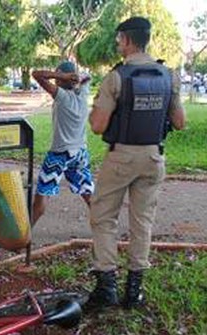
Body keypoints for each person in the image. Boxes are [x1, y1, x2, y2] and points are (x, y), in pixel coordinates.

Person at [87, 17, 185, 311]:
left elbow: (97, 126)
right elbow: (179, 122)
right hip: (154, 157)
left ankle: (106, 288)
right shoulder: (169, 75)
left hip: (122, 156)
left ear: (127, 40)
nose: (118, 45)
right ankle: (135, 291)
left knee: (103, 217)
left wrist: (97, 111)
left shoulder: (116, 77)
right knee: (143, 222)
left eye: (119, 40)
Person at [30, 61, 94, 227]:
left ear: (63, 79)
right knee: (88, 194)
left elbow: (36, 75)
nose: (55, 80)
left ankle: (23, 236)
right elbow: (87, 77)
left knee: (42, 197)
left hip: (60, 154)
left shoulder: (63, 97)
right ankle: (106, 231)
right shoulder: (83, 93)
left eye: (58, 76)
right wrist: (71, 77)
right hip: (80, 153)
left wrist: (60, 75)